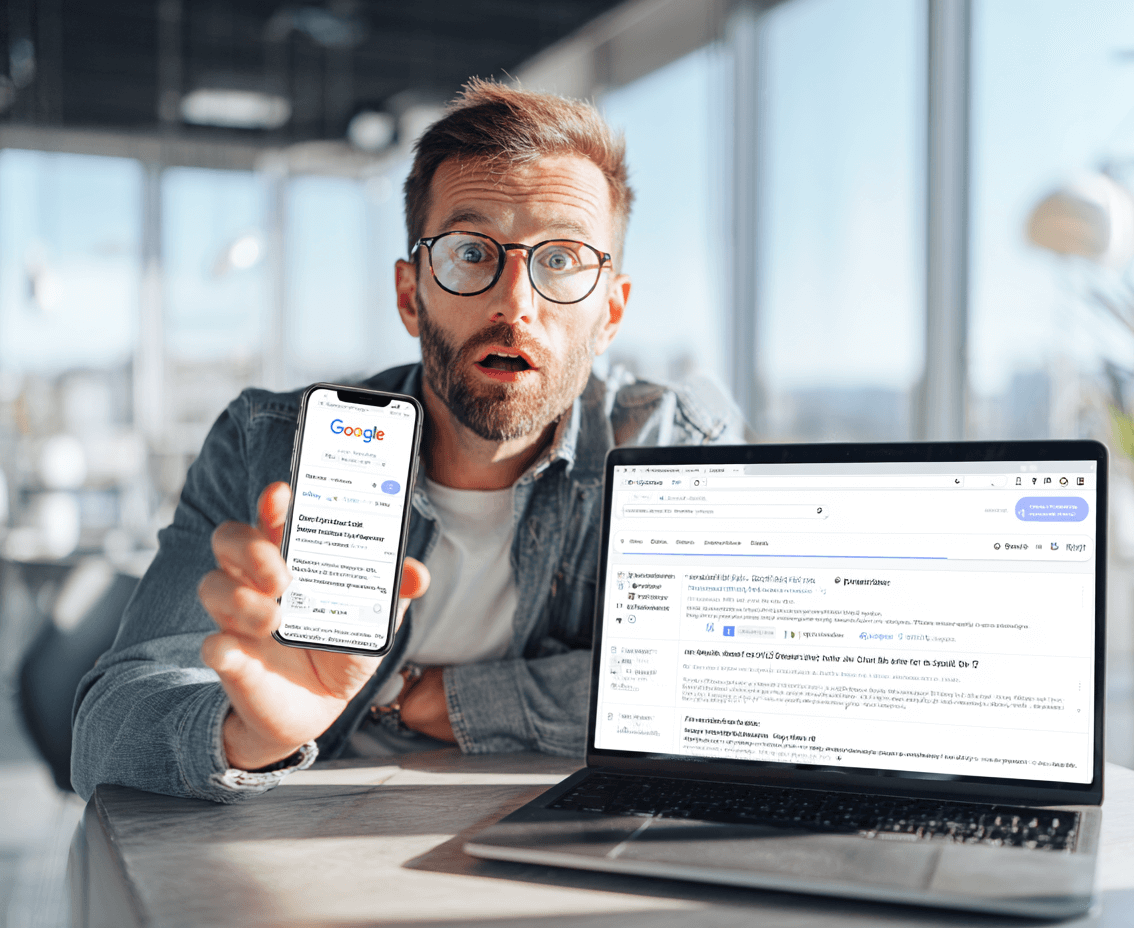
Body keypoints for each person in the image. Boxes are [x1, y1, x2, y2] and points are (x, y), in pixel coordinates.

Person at [70, 79, 740, 802]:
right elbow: (104, 734)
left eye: (561, 260)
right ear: (409, 295)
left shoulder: (675, 445)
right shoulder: (268, 447)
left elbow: (724, 693)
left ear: (611, 313)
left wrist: (427, 695)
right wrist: (250, 733)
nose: (515, 302)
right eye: (470, 253)